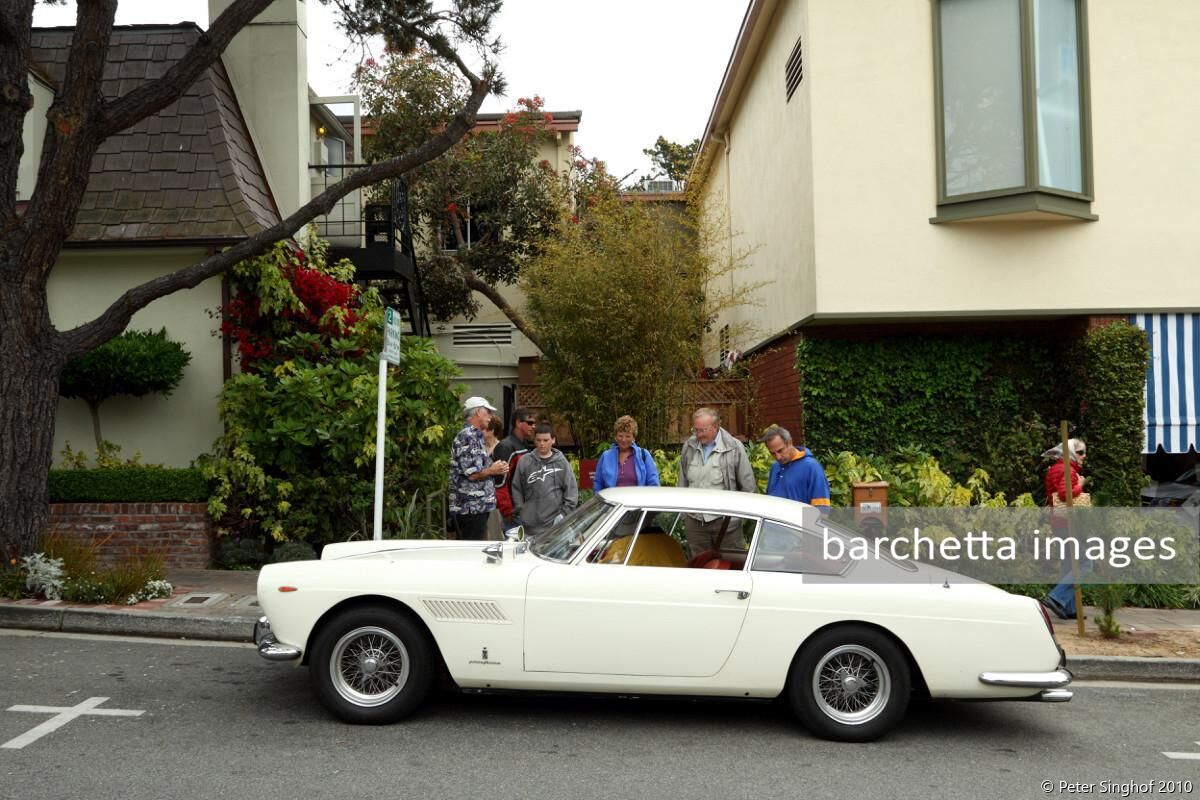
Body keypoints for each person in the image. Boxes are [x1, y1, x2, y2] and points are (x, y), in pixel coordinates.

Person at [677, 407, 756, 557]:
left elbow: (748, 486)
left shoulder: (734, 447)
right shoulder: (689, 446)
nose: (698, 435)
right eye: (696, 430)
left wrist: (738, 518)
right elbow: (683, 482)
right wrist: (684, 515)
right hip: (695, 522)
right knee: (699, 568)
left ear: (716, 427)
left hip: (726, 524)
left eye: (703, 430)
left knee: (732, 566)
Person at [447, 396, 508, 541]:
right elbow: (472, 474)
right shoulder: (469, 436)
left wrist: (495, 468)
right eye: (488, 412)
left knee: (474, 550)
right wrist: (493, 470)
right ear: (478, 413)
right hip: (470, 508)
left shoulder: (474, 435)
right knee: (471, 553)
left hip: (475, 507)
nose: (491, 417)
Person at [1041, 438, 1088, 620]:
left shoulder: (1056, 468)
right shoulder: (1067, 469)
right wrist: (1080, 485)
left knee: (1069, 563)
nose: (1084, 456)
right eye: (1081, 452)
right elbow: (1065, 494)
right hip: (1068, 523)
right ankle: (1057, 598)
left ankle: (1068, 608)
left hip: (1058, 522)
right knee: (1085, 562)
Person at [511, 423, 578, 542]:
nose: (542, 444)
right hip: (529, 527)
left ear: (553, 440)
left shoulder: (561, 463)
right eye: (539, 440)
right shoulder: (525, 461)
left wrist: (563, 515)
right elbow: (516, 487)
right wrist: (521, 509)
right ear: (534, 441)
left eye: (546, 440)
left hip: (556, 527)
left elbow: (571, 491)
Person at [761, 425, 831, 510]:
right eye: (773, 453)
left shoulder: (812, 467)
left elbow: (821, 509)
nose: (778, 457)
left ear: (790, 442)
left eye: (780, 451)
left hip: (797, 523)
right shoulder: (775, 467)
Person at [592, 415, 660, 493]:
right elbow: (598, 484)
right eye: (620, 436)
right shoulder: (606, 456)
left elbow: (654, 484)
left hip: (638, 503)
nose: (623, 440)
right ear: (615, 436)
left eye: (628, 436)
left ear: (634, 437)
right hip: (614, 503)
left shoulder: (643, 455)